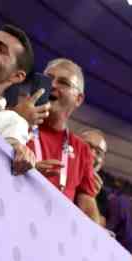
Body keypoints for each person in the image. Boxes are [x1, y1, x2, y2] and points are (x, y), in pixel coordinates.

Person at [29, 58, 100, 222]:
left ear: (78, 99)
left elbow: (88, 207)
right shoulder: (18, 120)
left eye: (63, 82)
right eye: (49, 78)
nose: (52, 85)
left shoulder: (82, 150)